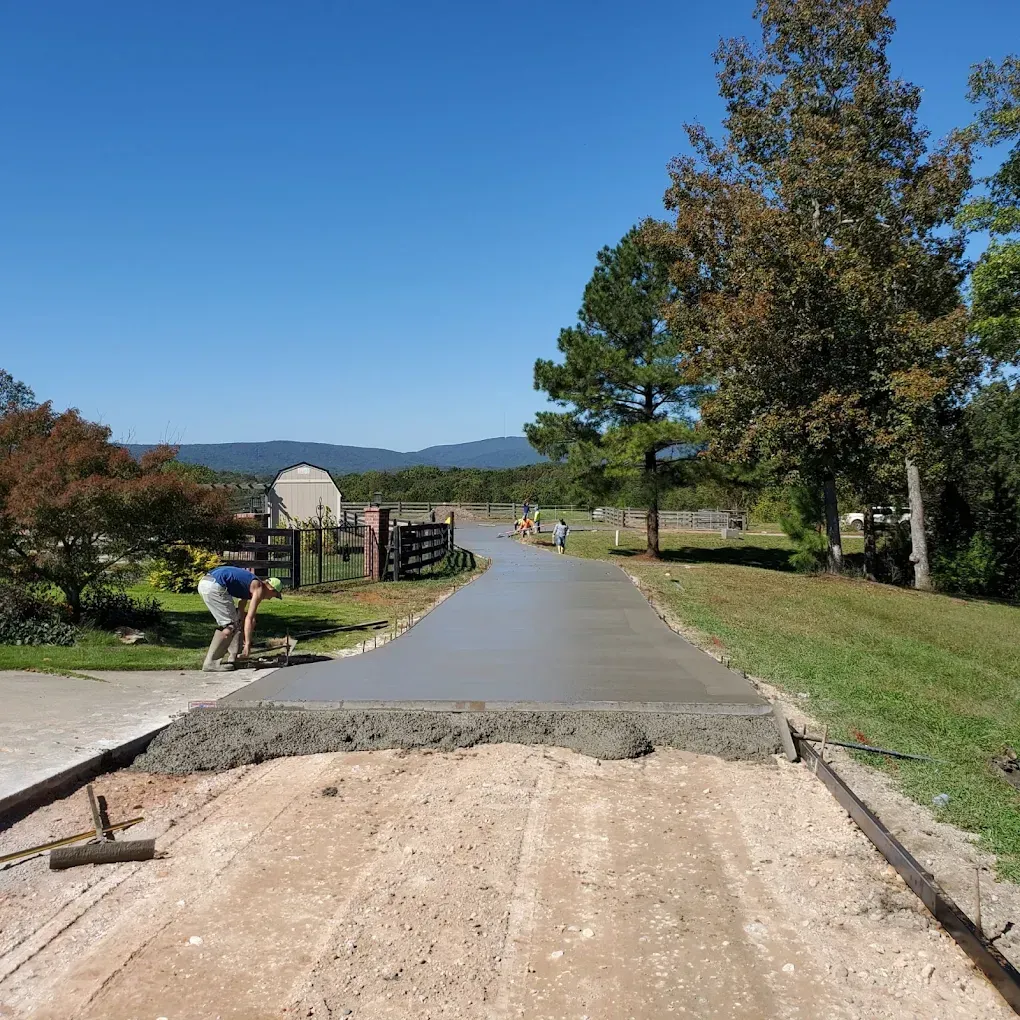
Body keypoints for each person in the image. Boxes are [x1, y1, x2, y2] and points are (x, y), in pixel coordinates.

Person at [197, 565, 283, 672]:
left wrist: (241, 631)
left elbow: (241, 612)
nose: (270, 598)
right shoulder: (259, 588)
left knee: (234, 623)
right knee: (230, 625)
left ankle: (234, 658)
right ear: (271, 588)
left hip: (205, 582)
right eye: (274, 595)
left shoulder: (250, 584)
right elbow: (250, 618)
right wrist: (247, 645)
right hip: (215, 585)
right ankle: (211, 663)